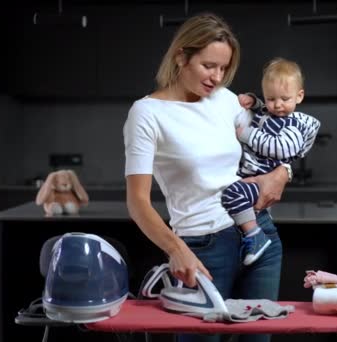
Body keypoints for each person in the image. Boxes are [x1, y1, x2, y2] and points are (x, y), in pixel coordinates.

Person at [123, 13, 290, 342]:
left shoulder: (225, 101)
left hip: (258, 234)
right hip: (203, 249)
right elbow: (137, 201)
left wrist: (283, 173)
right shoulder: (146, 114)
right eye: (209, 65)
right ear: (181, 56)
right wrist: (176, 250)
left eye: (224, 68)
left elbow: (274, 143)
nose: (217, 77)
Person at [222, 58, 321, 266]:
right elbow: (261, 112)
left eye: (285, 98)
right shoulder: (271, 113)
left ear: (299, 96)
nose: (277, 105)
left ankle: (254, 235)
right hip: (250, 176)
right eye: (270, 98)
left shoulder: (294, 125)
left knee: (232, 194)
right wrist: (253, 101)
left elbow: (282, 148)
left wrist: (247, 135)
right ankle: (249, 233)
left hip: (260, 180)